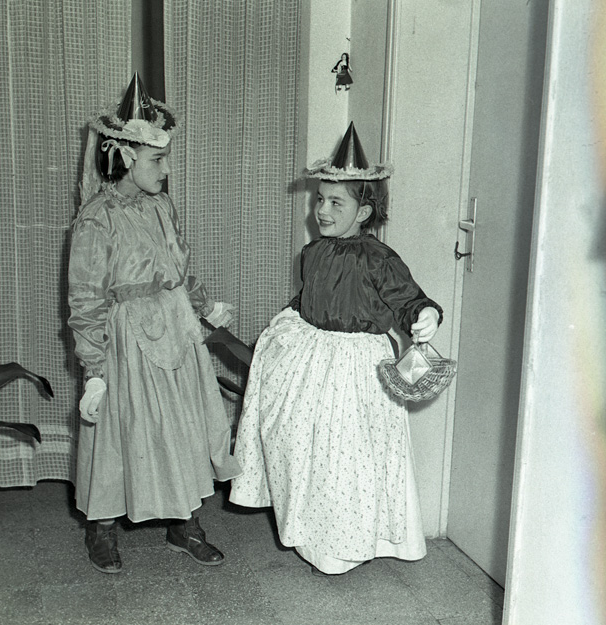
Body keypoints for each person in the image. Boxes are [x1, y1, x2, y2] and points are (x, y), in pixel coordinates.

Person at [229, 122, 442, 576]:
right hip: (312, 362)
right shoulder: (313, 253)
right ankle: (313, 535)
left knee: (348, 454)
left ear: (364, 211)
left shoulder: (380, 259)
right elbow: (309, 299)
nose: (321, 210)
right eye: (319, 200)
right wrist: (284, 325)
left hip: (357, 369)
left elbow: (409, 300)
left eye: (335, 203)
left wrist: (426, 313)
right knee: (305, 447)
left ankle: (346, 542)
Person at [68, 72, 241, 574]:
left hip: (176, 329)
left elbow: (178, 266)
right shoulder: (97, 218)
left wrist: (204, 307)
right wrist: (94, 370)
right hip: (128, 339)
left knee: (183, 425)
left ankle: (184, 523)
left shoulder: (161, 205)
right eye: (156, 160)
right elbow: (85, 298)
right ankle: (101, 528)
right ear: (124, 157)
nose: (165, 170)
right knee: (120, 433)